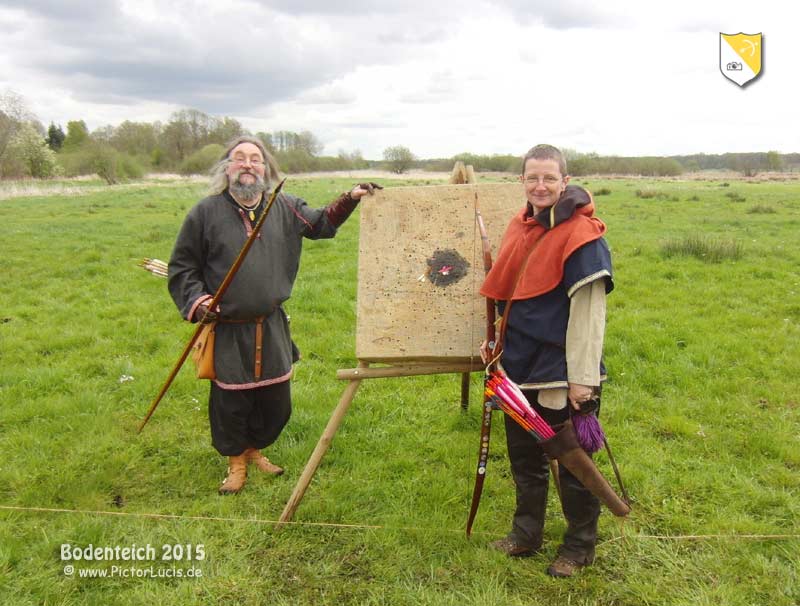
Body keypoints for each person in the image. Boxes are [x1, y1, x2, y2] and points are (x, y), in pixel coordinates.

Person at [168, 135, 380, 495]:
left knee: (276, 402)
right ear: (227, 167)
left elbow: (321, 224)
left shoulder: (284, 206)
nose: (248, 164)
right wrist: (200, 302)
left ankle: (255, 449)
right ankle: (236, 460)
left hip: (271, 324)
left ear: (266, 169)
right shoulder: (205, 213)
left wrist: (350, 198)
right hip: (228, 328)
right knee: (231, 402)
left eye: (256, 158)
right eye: (240, 158)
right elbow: (182, 267)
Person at [479, 144, 613, 577]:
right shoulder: (522, 226)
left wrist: (583, 381)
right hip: (517, 367)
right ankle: (526, 534)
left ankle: (578, 548)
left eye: (549, 179)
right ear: (522, 181)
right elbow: (510, 297)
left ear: (565, 182)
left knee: (573, 463)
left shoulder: (583, 237)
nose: (540, 186)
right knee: (524, 457)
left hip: (560, 371)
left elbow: (590, 317)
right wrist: (496, 345)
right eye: (532, 178)